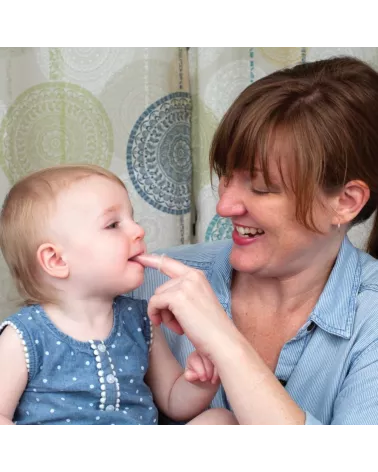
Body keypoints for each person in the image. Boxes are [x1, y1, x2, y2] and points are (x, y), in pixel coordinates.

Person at [131, 56, 378, 426]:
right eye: (227, 176)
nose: (224, 205)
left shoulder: (369, 317)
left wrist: (221, 338)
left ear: (345, 202)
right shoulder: (145, 285)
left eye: (262, 188)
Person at [0, 164, 236, 427]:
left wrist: (199, 382)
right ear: (55, 260)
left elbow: (172, 400)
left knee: (220, 420)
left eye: (132, 219)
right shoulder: (24, 336)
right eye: (113, 224)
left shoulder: (140, 320)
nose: (138, 230)